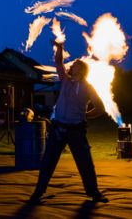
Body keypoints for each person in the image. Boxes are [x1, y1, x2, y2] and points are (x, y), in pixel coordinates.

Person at [31, 40, 108, 203]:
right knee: (48, 162)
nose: (71, 66)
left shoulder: (88, 87)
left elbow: (100, 107)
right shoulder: (65, 81)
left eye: (75, 65)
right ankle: (38, 191)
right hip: (58, 129)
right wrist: (60, 48)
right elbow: (58, 62)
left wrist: (84, 116)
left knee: (85, 162)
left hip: (76, 131)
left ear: (82, 70)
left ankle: (94, 192)